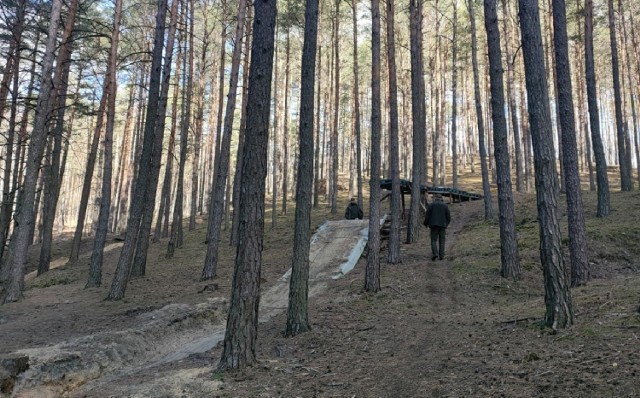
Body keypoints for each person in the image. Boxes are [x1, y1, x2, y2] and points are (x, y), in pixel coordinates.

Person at [424, 193, 451, 260]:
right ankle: (441, 255)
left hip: (433, 225)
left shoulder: (431, 205)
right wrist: (446, 224)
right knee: (442, 240)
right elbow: (449, 217)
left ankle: (435, 253)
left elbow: (427, 216)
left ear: (435, 198)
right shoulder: (445, 206)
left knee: (433, 240)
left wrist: (425, 224)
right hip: (442, 226)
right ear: (441, 198)